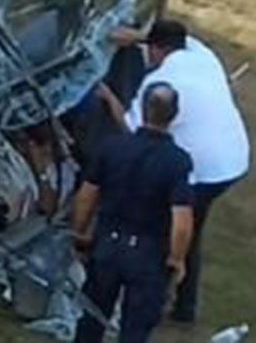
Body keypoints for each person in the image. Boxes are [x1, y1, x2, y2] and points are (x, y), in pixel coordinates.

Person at [115, 19, 248, 323]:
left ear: (156, 50)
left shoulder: (161, 82)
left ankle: (155, 301)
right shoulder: (203, 56)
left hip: (204, 170)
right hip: (234, 158)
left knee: (170, 233)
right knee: (192, 232)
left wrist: (111, 101)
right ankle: (184, 308)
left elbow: (133, 129)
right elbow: (186, 41)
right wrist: (137, 38)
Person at [68, 83, 194, 343]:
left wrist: (79, 232)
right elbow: (181, 221)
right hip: (148, 255)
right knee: (135, 329)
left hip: (107, 244)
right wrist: (177, 259)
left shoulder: (112, 147)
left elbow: (86, 195)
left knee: (91, 318)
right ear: (174, 115)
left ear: (143, 109)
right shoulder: (177, 161)